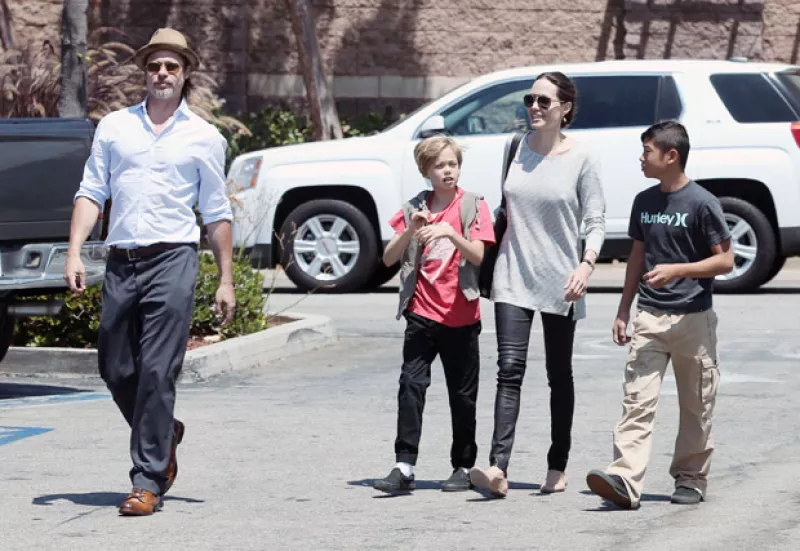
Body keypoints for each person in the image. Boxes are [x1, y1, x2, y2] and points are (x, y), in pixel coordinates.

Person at [64, 28, 235, 516]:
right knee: (115, 367)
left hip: (173, 259)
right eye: (155, 66)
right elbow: (91, 192)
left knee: (159, 370)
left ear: (185, 73)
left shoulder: (205, 137)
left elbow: (216, 212)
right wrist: (74, 252)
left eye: (171, 66)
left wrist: (225, 279)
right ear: (144, 72)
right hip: (122, 260)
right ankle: (164, 430)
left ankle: (148, 480)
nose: (162, 73)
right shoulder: (115, 127)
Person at [469, 72, 606, 498]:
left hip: (562, 281)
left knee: (558, 374)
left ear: (565, 108)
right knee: (509, 370)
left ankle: (557, 463)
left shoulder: (583, 158)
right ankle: (498, 466)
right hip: (512, 274)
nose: (534, 107)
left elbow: (595, 220)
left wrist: (586, 266)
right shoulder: (515, 147)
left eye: (544, 101)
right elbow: (505, 208)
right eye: (530, 99)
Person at [586, 120, 733, 510]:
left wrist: (678, 270)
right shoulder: (644, 202)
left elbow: (726, 260)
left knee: (696, 405)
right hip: (649, 317)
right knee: (637, 401)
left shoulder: (702, 202)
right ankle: (625, 480)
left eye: (647, 151)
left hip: (693, 320)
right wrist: (623, 309)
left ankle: (691, 478)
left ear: (671, 156)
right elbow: (636, 257)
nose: (641, 158)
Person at [372, 135, 496, 494]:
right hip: (421, 314)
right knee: (411, 386)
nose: (448, 171)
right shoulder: (415, 207)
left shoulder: (473, 205)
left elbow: (478, 255)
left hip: (461, 316)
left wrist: (449, 233)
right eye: (440, 165)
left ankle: (463, 466)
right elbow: (388, 258)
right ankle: (404, 465)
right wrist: (412, 229)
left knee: (462, 395)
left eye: (453, 164)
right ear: (426, 170)